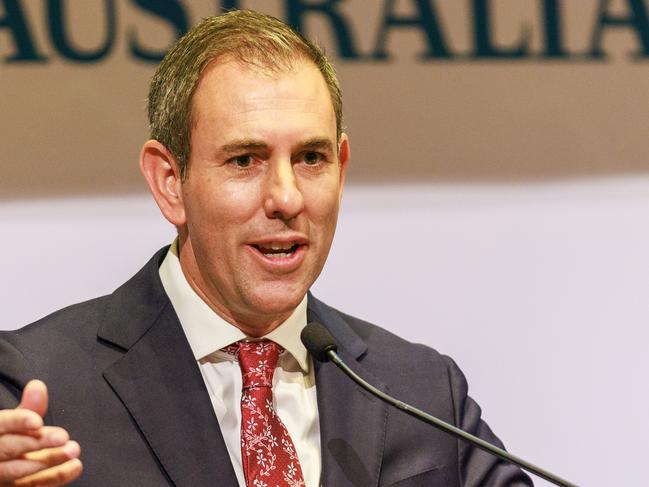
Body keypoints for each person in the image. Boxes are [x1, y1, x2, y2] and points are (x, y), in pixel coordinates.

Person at [0, 10, 533, 487]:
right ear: (169, 181)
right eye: (244, 160)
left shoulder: (422, 393)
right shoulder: (40, 388)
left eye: (311, 158)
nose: (286, 197)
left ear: (341, 169)